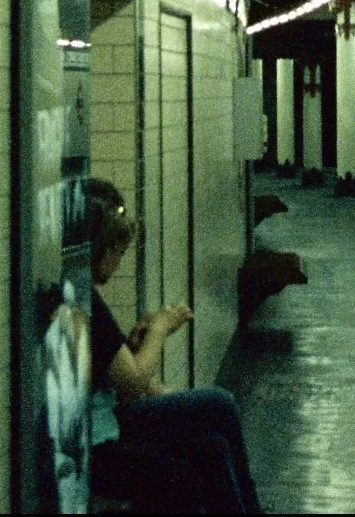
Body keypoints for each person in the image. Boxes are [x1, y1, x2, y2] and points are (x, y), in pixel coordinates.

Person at [88, 178, 262, 514]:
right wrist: (160, 331)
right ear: (105, 248)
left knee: (212, 447)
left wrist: (133, 344)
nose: (119, 263)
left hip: (106, 420)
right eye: (118, 252)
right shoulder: (86, 303)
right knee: (218, 403)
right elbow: (133, 381)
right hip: (99, 436)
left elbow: (112, 370)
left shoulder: (85, 298)